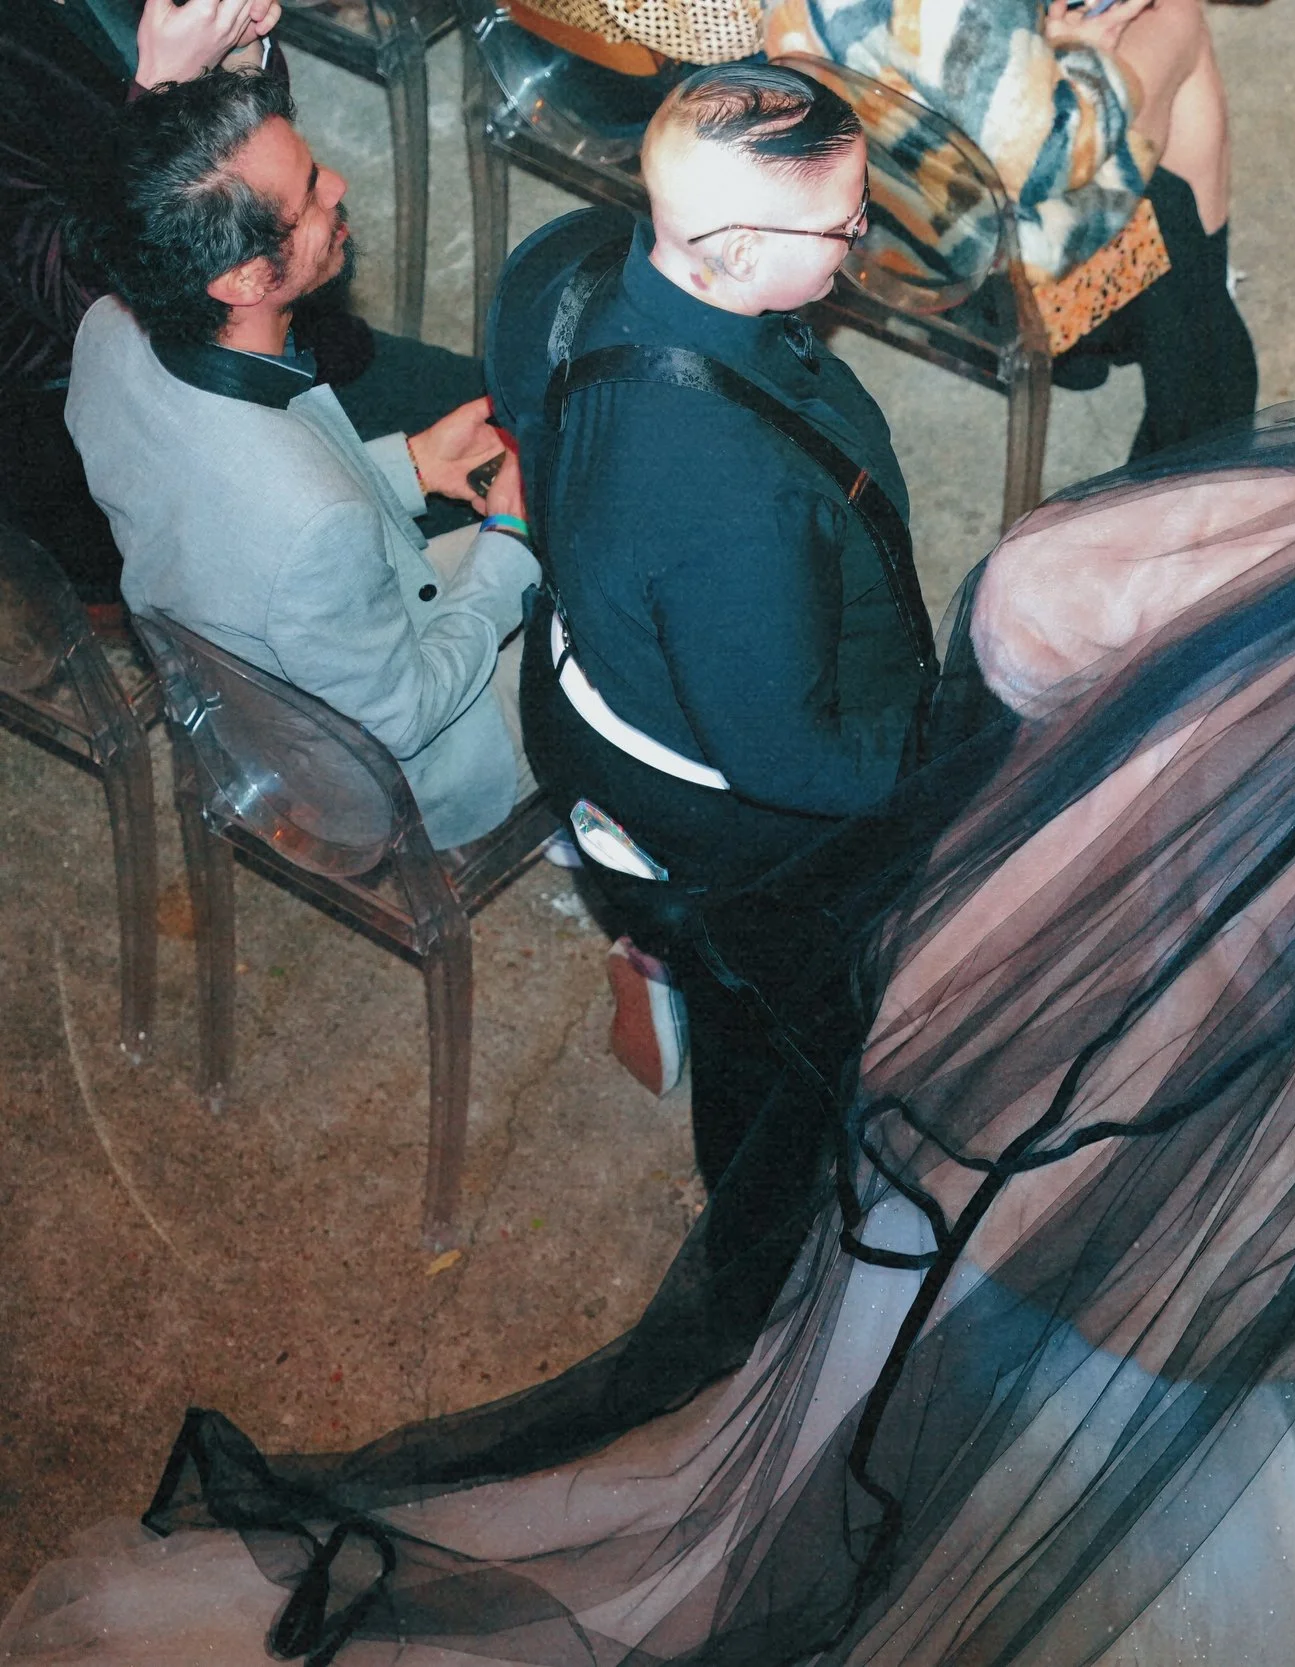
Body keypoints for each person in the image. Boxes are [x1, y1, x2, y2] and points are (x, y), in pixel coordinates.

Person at [0, 385, 1295, 1667]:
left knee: (867, 1402)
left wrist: (1096, 778)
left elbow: (1027, 597)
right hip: (1213, 1218)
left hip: (1007, 1058)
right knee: (1143, 1514)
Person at [488, 62, 940, 1190]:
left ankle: (660, 954)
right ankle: (761, 1248)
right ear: (738, 250)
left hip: (609, 680)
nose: (859, 242)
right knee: (788, 1044)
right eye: (848, 223)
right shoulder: (739, 504)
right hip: (730, 829)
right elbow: (786, 760)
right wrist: (949, 754)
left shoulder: (573, 262)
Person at [67, 69, 536, 850]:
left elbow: (225, 535)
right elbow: (411, 709)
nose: (341, 185)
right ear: (248, 278)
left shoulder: (106, 335)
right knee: (635, 593)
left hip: (269, 695)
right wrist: (512, 537)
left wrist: (412, 467)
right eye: (314, 191)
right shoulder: (315, 520)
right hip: (409, 773)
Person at [2, 0, 489, 606]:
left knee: (530, 413)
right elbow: (89, 296)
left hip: (288, 340)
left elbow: (264, 167)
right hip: (154, 432)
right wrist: (160, 95)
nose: (338, 188)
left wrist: (237, 55)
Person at [767, 0, 1257, 459]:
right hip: (990, 277)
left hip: (869, 224)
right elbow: (1053, 157)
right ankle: (1196, 319)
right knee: (1177, 23)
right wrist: (1077, 52)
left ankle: (1193, 296)